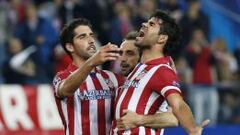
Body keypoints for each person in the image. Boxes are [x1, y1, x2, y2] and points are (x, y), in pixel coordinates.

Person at [53, 18, 179, 135]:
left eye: (91, 35)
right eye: (82, 37)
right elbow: (66, 90)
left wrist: (163, 74)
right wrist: (91, 62)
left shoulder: (112, 79)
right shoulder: (62, 77)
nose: (91, 40)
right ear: (70, 46)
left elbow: (144, 92)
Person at [112, 10, 209, 135]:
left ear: (162, 38)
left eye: (152, 24)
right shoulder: (140, 67)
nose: (144, 24)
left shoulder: (162, 70)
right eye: (147, 22)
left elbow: (178, 105)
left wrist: (192, 129)